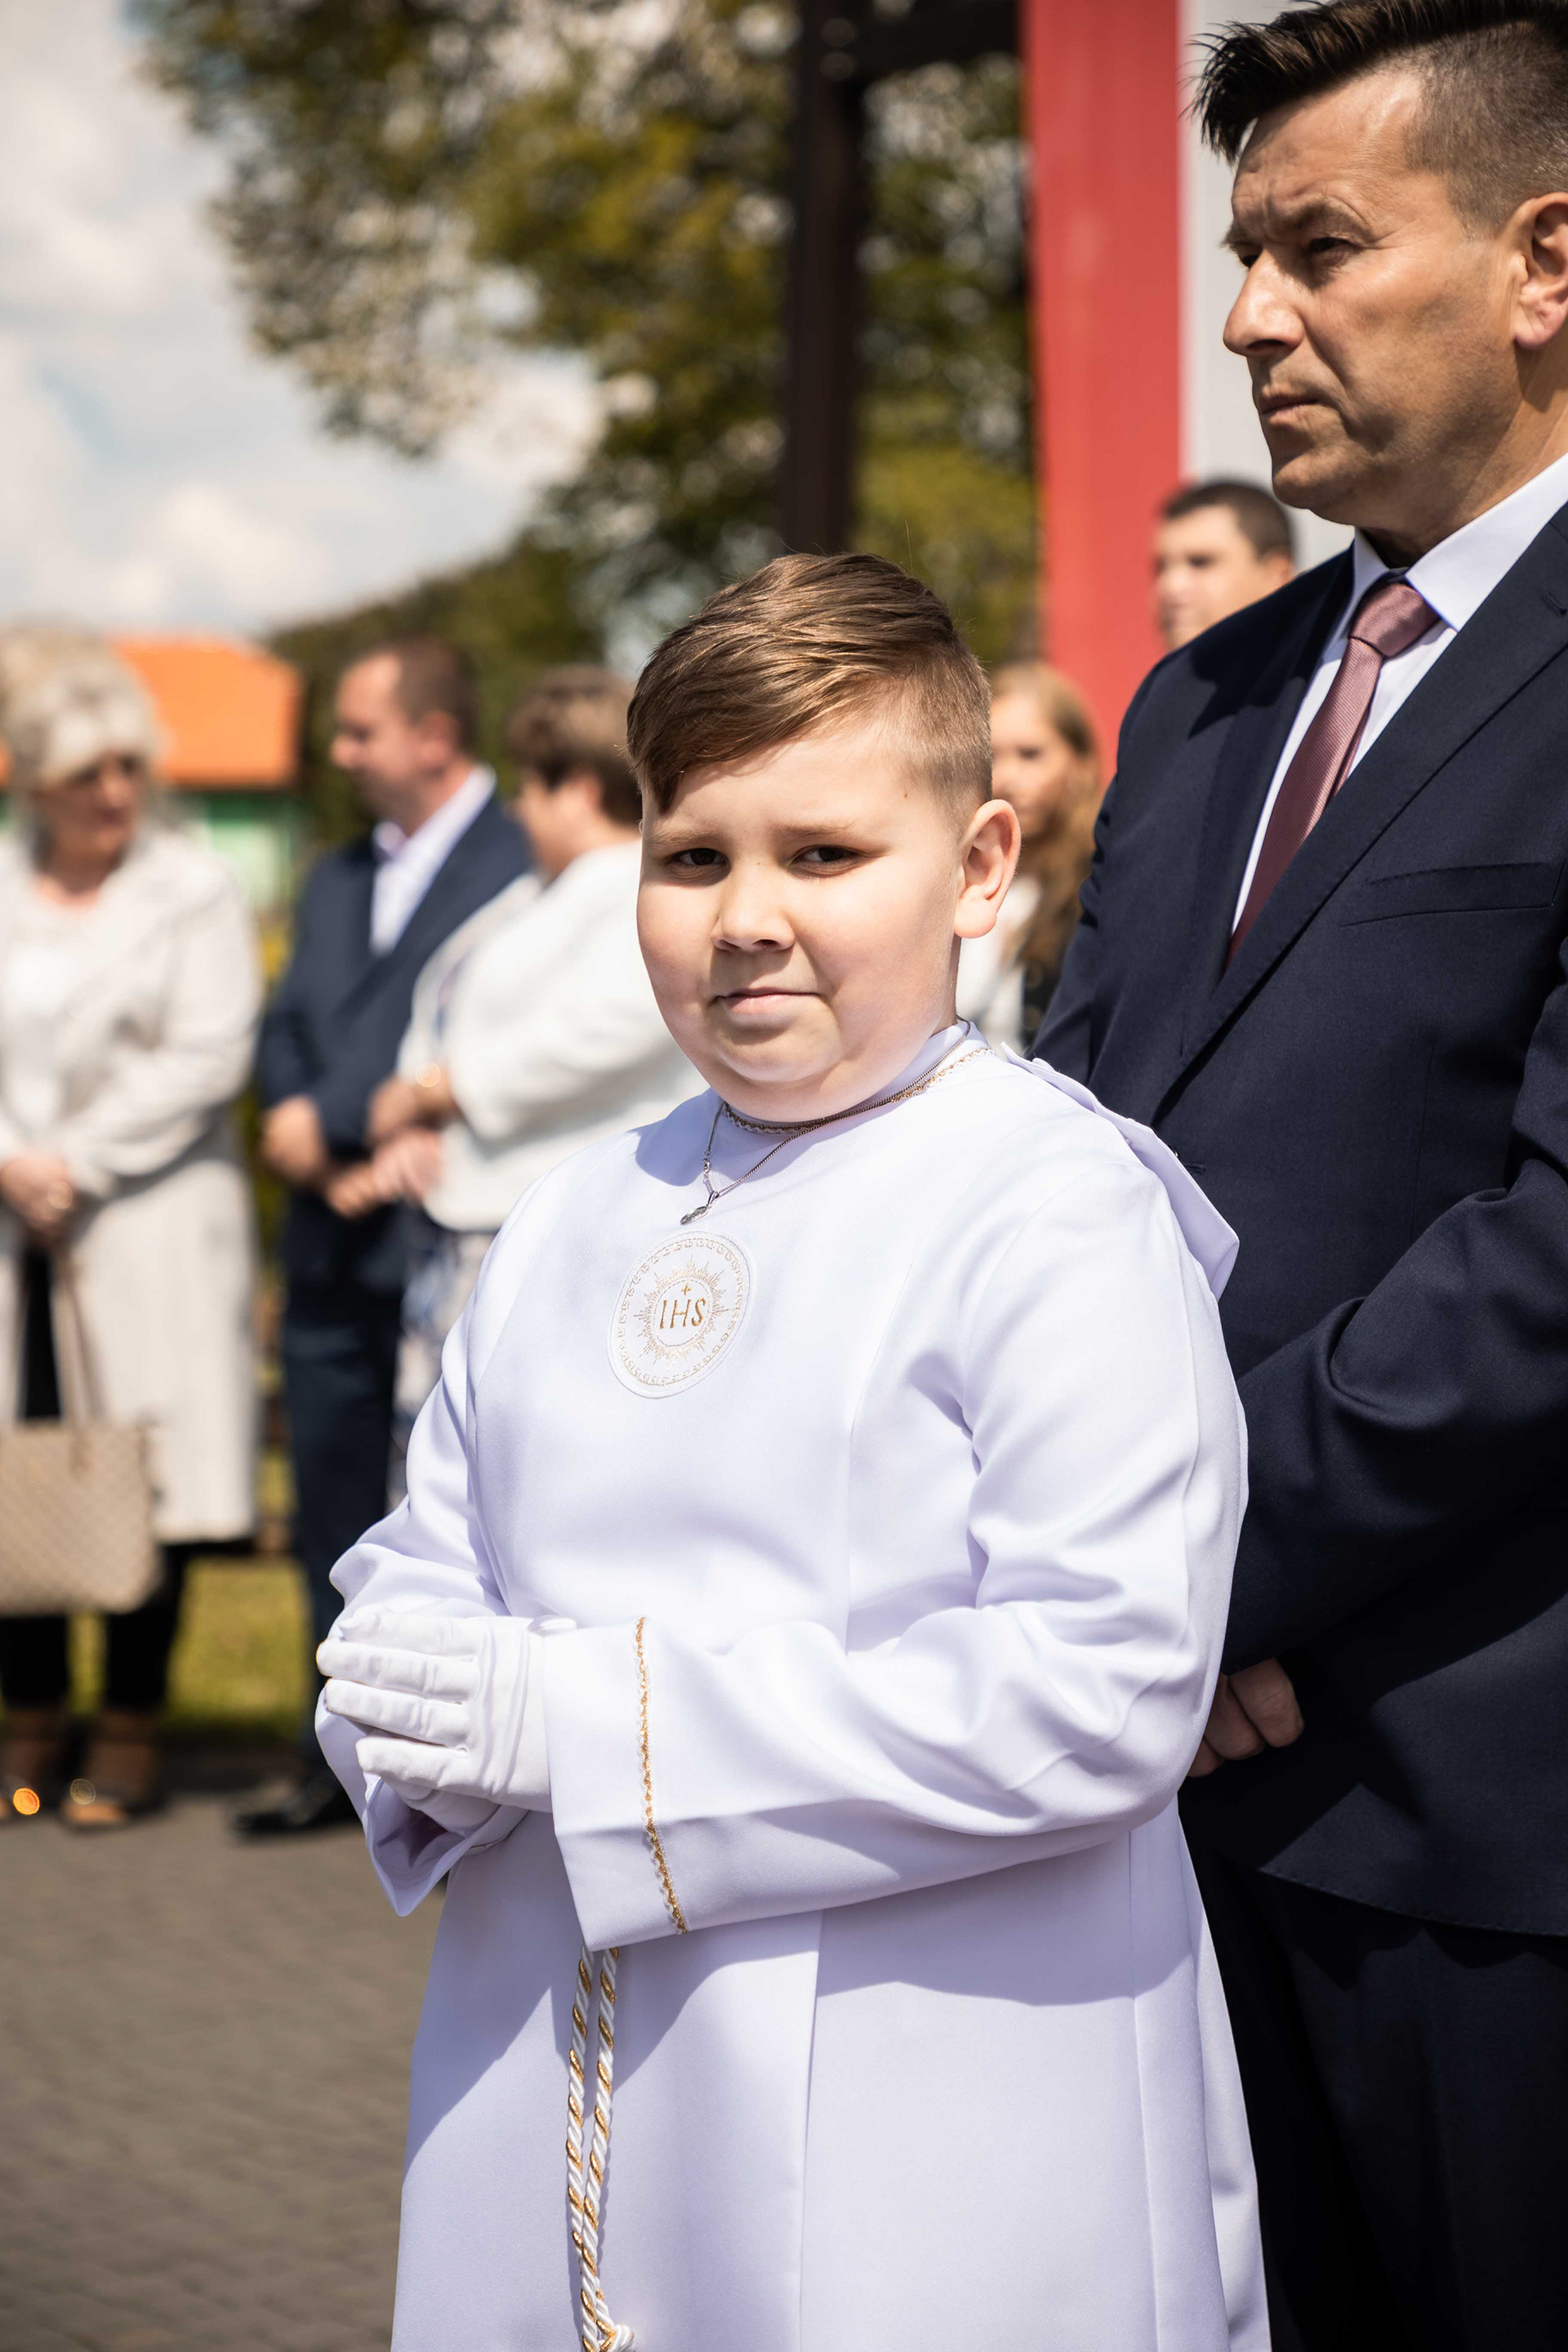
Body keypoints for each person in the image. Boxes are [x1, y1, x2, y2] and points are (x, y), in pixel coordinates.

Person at [314, 553, 1266, 2352]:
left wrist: (584, 1731)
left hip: (942, 2083)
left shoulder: (1052, 1207)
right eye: (693, 858)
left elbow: (1107, 1681)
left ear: (978, 868)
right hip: (558, 2047)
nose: (747, 917)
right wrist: (401, 1693)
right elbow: (430, 1556)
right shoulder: (578, 1210)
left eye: (824, 855)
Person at [1039, 7, 1568, 2345]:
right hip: (1143, 1802)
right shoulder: (1203, 698)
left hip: (1485, 1839)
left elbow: (1548, 1261)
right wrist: (1106, 1591)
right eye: (1240, 254)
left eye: (1320, 247)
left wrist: (1179, 1563)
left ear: (1546, 263)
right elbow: (1055, 1171)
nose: (1250, 317)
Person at [238, 637, 529, 1840]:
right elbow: (289, 1021)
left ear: (434, 736)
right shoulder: (333, 874)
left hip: (438, 1232)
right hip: (325, 1235)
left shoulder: (522, 859)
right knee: (329, 1500)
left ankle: (434, 1760)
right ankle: (337, 1749)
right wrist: (297, 1127)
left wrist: (340, 1117)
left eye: (361, 730)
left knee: (440, 1510)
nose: (341, 751)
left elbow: (479, 1031)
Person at [0, 629, 261, 1826]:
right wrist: (13, 1161)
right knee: (24, 1467)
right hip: (18, 1230)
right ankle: (29, 1716)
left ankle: (131, 1725)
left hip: (146, 1222)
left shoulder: (194, 887)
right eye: (84, 775)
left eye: (127, 769)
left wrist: (74, 1160)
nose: (112, 795)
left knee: (143, 1474)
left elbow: (208, 1053)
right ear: (34, 782)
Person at [332, 666, 700, 1482]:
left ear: (578, 790)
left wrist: (442, 1092)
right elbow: (442, 1008)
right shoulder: (532, 895)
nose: (517, 809)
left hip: (556, 1221)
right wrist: (416, 1122)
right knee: (445, 1471)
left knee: (518, 1466)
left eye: (531, 787)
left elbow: (610, 1026)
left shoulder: (642, 888)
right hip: (465, 1215)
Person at [956, 661, 1102, 1045]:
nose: (1006, 777)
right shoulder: (951, 872)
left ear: (1081, 765)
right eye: (991, 756)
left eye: (1030, 754)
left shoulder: (1100, 883)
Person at [1153, 479, 1296, 649]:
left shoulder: (1319, 663)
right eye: (1161, 568)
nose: (1171, 586)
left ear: (1278, 576)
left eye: (1201, 563)